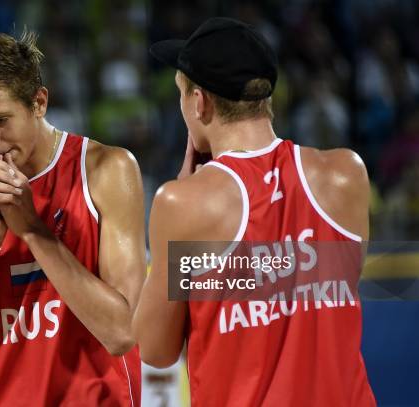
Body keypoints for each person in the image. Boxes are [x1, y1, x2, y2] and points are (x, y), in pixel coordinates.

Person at [132, 18, 376, 406]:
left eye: (181, 94)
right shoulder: (347, 173)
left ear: (199, 102)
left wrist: (184, 187)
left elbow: (154, 349)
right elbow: (321, 288)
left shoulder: (181, 204)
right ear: (266, 99)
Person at [0, 31, 145, 406]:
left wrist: (31, 229)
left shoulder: (107, 169)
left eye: (0, 119)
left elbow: (122, 330)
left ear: (39, 102)